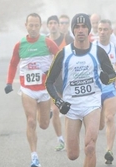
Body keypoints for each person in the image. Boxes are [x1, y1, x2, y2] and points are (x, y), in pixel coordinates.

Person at [45, 13, 116, 167]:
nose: (81, 30)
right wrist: (59, 103)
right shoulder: (64, 53)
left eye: (84, 27)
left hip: (92, 103)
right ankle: (75, 156)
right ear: (73, 30)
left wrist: (105, 78)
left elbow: (112, 75)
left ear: (89, 30)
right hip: (71, 106)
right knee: (73, 154)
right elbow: (49, 82)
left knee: (91, 146)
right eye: (77, 27)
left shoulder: (98, 52)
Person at [4, 13, 59, 167]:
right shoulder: (19, 45)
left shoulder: (48, 43)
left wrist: (55, 74)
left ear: (40, 26)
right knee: (30, 121)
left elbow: (61, 57)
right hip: (27, 89)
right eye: (31, 25)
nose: (34, 28)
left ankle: (46, 112)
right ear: (26, 25)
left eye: (36, 25)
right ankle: (34, 157)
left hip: (44, 90)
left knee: (43, 125)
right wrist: (9, 82)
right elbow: (13, 64)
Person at [46, 15, 74, 151]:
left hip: (67, 80)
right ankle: (60, 139)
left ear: (58, 25)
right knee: (55, 110)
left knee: (70, 111)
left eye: (55, 23)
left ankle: (70, 136)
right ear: (47, 26)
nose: (53, 25)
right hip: (53, 81)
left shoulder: (68, 40)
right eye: (50, 23)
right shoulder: (43, 41)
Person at [96, 19, 116, 164]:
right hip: (94, 90)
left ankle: (109, 151)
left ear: (111, 32)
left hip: (109, 89)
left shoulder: (115, 49)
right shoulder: (91, 47)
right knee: (99, 125)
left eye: (105, 29)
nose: (102, 32)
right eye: (100, 29)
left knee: (110, 118)